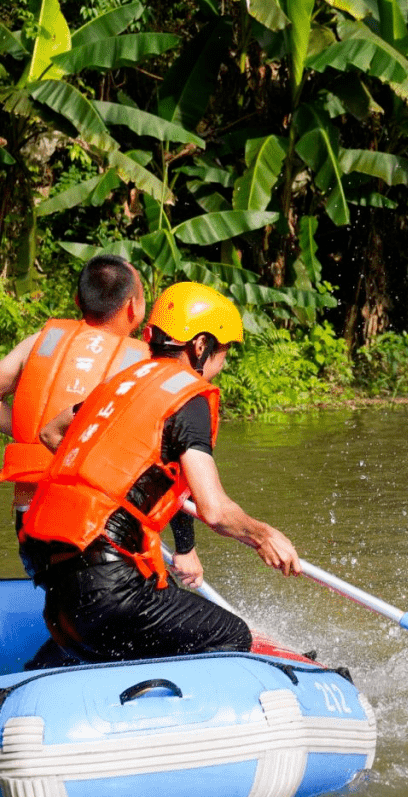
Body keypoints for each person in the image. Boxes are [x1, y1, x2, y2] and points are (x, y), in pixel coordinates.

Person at [19, 281, 301, 664]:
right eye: (224, 352)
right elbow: (215, 511)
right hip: (112, 593)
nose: (222, 364)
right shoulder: (188, 397)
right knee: (233, 633)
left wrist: (115, 482)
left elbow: (50, 432)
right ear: (200, 346)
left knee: (142, 611)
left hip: (59, 599)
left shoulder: (116, 386)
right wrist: (262, 534)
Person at [0, 255, 202, 589]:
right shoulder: (144, 365)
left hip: (32, 531)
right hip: (95, 534)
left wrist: (29, 429)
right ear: (132, 307)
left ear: (79, 301)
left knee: (65, 587)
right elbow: (171, 460)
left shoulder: (40, 342)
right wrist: (186, 548)